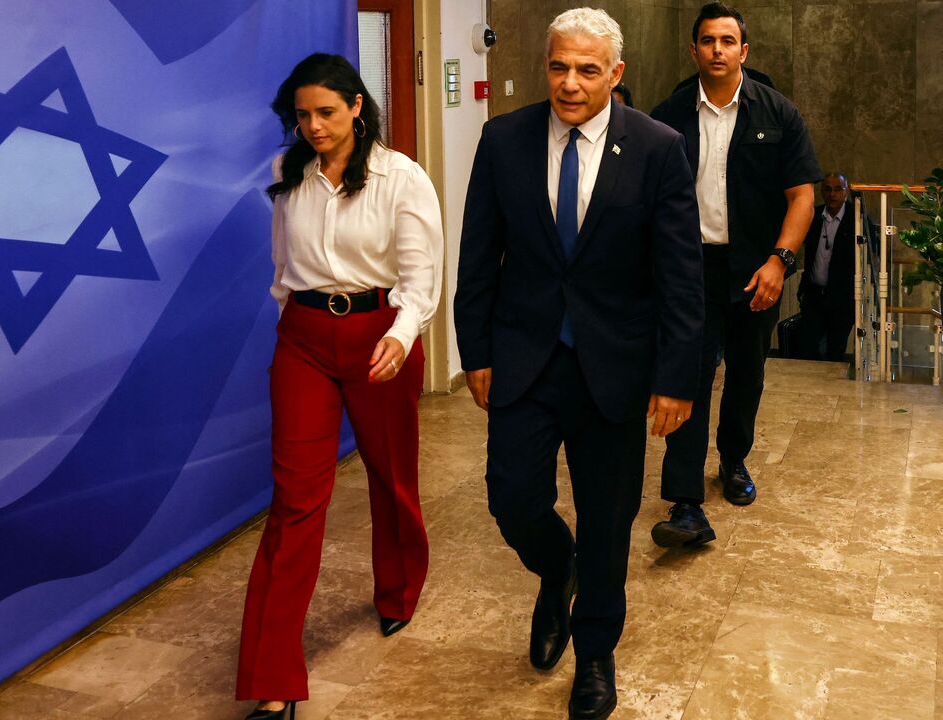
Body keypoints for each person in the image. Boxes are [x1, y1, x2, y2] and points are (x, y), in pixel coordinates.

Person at [455, 9, 702, 718]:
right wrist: (476, 351)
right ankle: (555, 567)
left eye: (588, 70)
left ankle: (595, 652)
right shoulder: (504, 140)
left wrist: (676, 377)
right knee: (512, 498)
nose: (570, 82)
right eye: (560, 66)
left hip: (616, 366)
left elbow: (681, 276)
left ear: (615, 74)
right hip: (524, 359)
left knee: (607, 518)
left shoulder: (658, 149)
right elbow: (479, 256)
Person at [235, 53, 444, 720]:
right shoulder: (286, 174)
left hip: (379, 336)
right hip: (303, 341)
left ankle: (398, 590)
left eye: (326, 112)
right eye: (302, 116)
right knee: (297, 499)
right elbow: (281, 261)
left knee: (390, 475)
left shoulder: (400, 177)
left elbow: (421, 275)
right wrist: (290, 320)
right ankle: (272, 680)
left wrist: (402, 332)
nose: (314, 127)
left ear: (357, 106)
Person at [649, 2, 820, 548]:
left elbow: (802, 197)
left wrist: (780, 262)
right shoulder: (667, 116)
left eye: (728, 41)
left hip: (755, 268)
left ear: (743, 51)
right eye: (708, 41)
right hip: (688, 268)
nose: (717, 50)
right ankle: (684, 503)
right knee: (688, 377)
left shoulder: (778, 114)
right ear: (694, 50)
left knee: (746, 373)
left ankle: (733, 458)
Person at [798, 173, 867, 361]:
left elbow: (872, 251)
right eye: (828, 189)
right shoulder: (814, 215)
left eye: (838, 189)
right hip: (814, 295)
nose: (832, 194)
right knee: (807, 347)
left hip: (842, 299)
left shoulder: (857, 219)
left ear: (846, 192)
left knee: (835, 351)